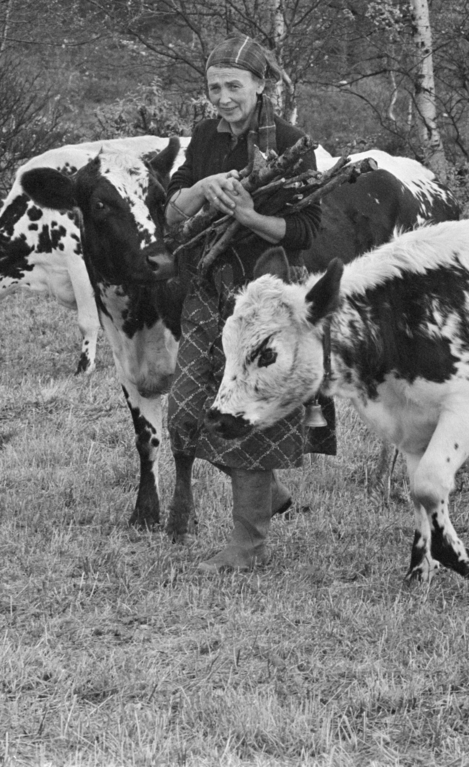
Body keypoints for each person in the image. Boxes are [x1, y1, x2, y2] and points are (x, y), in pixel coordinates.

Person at [165, 34, 325, 573]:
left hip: (262, 295)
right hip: (210, 288)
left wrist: (250, 215)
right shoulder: (206, 134)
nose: (223, 97)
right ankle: (267, 492)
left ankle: (247, 547)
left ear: (260, 84)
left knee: (245, 418)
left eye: (234, 85)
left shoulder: (289, 142)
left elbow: (303, 232)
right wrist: (201, 188)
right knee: (186, 412)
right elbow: (174, 211)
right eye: (214, 87)